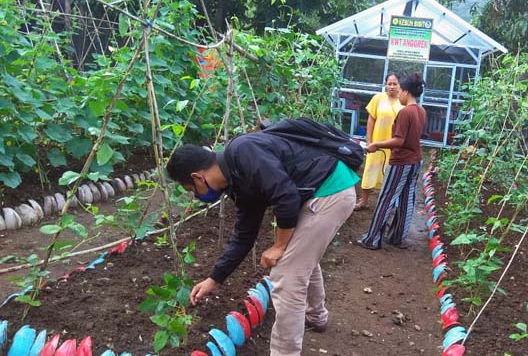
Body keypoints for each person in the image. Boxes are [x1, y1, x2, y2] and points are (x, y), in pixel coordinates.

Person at [165, 127, 358, 356]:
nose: (197, 196)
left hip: (330, 191)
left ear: (198, 177)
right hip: (321, 190)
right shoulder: (236, 180)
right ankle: (316, 315)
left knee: (286, 274)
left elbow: (286, 197)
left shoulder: (243, 151)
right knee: (300, 255)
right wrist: (214, 279)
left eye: (192, 190)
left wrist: (278, 246)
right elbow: (244, 235)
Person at [356, 73, 427, 250]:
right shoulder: (421, 111)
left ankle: (372, 239)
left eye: (400, 89)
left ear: (407, 92)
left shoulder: (405, 112)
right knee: (406, 198)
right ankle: (397, 237)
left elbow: (399, 140)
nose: (398, 92)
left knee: (386, 198)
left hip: (401, 161)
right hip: (416, 160)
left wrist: (376, 144)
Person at [354, 73, 403, 211]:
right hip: (376, 143)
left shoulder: (403, 102)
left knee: (390, 173)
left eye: (395, 84)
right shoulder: (378, 98)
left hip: (393, 145)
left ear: (400, 85)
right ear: (385, 85)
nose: (392, 87)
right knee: (370, 170)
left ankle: (388, 203)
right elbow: (371, 120)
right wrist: (369, 141)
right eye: (389, 83)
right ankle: (363, 201)